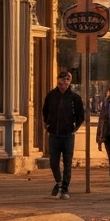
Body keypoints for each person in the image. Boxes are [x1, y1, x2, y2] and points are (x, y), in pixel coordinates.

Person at [42, 70, 84, 199]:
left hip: (68, 135)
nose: (63, 82)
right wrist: (48, 124)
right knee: (53, 161)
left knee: (67, 163)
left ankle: (65, 189)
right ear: (57, 80)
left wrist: (74, 127)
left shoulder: (74, 98)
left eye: (66, 80)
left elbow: (80, 115)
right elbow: (45, 111)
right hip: (54, 134)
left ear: (70, 82)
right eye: (61, 79)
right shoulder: (51, 95)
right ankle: (59, 182)